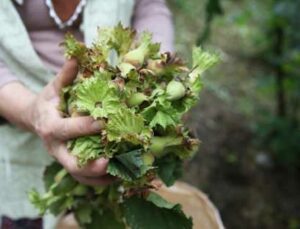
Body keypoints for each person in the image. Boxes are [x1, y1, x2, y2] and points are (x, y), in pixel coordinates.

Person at [0, 0, 174, 228]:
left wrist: (156, 66)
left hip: (115, 117)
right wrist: (30, 111)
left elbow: (149, 6)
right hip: (12, 134)